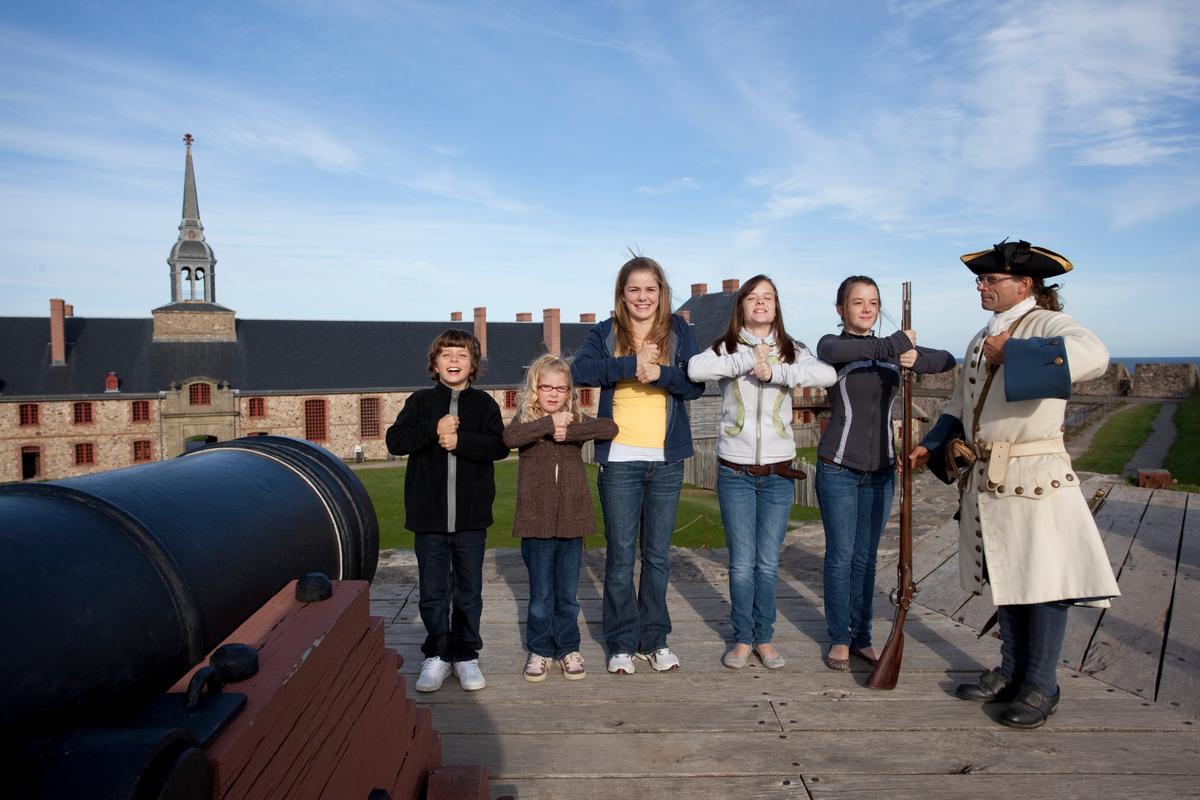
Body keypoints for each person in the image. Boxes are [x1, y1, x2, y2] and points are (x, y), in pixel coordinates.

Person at [910, 240, 1119, 729]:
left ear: (1024, 285)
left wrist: (1018, 353)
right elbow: (960, 406)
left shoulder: (1046, 325)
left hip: (1035, 474)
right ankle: (1010, 671)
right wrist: (931, 443)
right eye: (980, 281)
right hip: (988, 475)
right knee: (1007, 575)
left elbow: (1096, 356)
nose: (982, 287)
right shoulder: (980, 338)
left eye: (991, 281)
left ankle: (1041, 685)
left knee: (1043, 581)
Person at [688, 275, 836, 670]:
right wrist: (743, 362)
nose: (760, 303)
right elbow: (695, 369)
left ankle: (764, 637)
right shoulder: (726, 347)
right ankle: (741, 637)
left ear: (776, 306)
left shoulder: (793, 349)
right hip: (734, 470)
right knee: (740, 561)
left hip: (778, 472)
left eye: (767, 297)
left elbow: (826, 375)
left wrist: (777, 371)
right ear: (741, 306)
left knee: (768, 562)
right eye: (752, 297)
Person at [571, 255, 704, 674]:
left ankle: (656, 639)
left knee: (658, 556)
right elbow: (581, 371)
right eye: (634, 290)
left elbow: (695, 385)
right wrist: (631, 366)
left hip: (666, 458)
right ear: (622, 295)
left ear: (661, 293)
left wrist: (660, 374)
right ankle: (622, 643)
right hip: (621, 457)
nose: (642, 297)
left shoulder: (680, 331)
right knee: (621, 555)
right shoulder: (606, 331)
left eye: (650, 289)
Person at [816, 276, 955, 671]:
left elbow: (945, 359)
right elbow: (834, 349)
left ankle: (861, 637)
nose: (866, 309)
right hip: (838, 468)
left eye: (873, 302)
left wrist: (914, 357)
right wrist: (899, 345)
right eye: (857, 302)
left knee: (866, 560)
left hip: (880, 470)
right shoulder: (833, 347)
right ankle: (839, 638)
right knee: (840, 557)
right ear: (841, 308)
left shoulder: (892, 353)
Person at [385, 329, 508, 693]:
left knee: (469, 591)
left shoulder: (485, 406)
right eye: (446, 355)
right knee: (434, 591)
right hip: (429, 518)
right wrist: (433, 430)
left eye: (462, 355)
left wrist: (461, 441)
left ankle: (466, 655)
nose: (454, 361)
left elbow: (498, 447)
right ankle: (438, 653)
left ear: (473, 365)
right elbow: (396, 441)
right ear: (434, 363)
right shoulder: (420, 403)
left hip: (471, 518)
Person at [503, 355, 617, 682]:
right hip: (536, 522)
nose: (553, 393)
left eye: (560, 388)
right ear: (534, 389)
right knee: (541, 595)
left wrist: (571, 427)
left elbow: (610, 427)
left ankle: (567, 648)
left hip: (571, 521)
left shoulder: (576, 419)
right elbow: (509, 439)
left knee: (567, 594)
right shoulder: (525, 421)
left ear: (569, 391)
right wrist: (549, 425)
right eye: (546, 387)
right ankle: (540, 649)